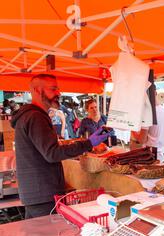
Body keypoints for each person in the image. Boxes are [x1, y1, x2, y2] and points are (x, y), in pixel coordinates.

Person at [10, 74, 110, 219]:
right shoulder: (35, 117)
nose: (59, 93)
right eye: (53, 89)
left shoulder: (31, 116)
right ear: (37, 90)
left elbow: (46, 149)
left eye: (58, 89)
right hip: (42, 193)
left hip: (36, 193)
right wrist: (88, 143)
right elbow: (52, 154)